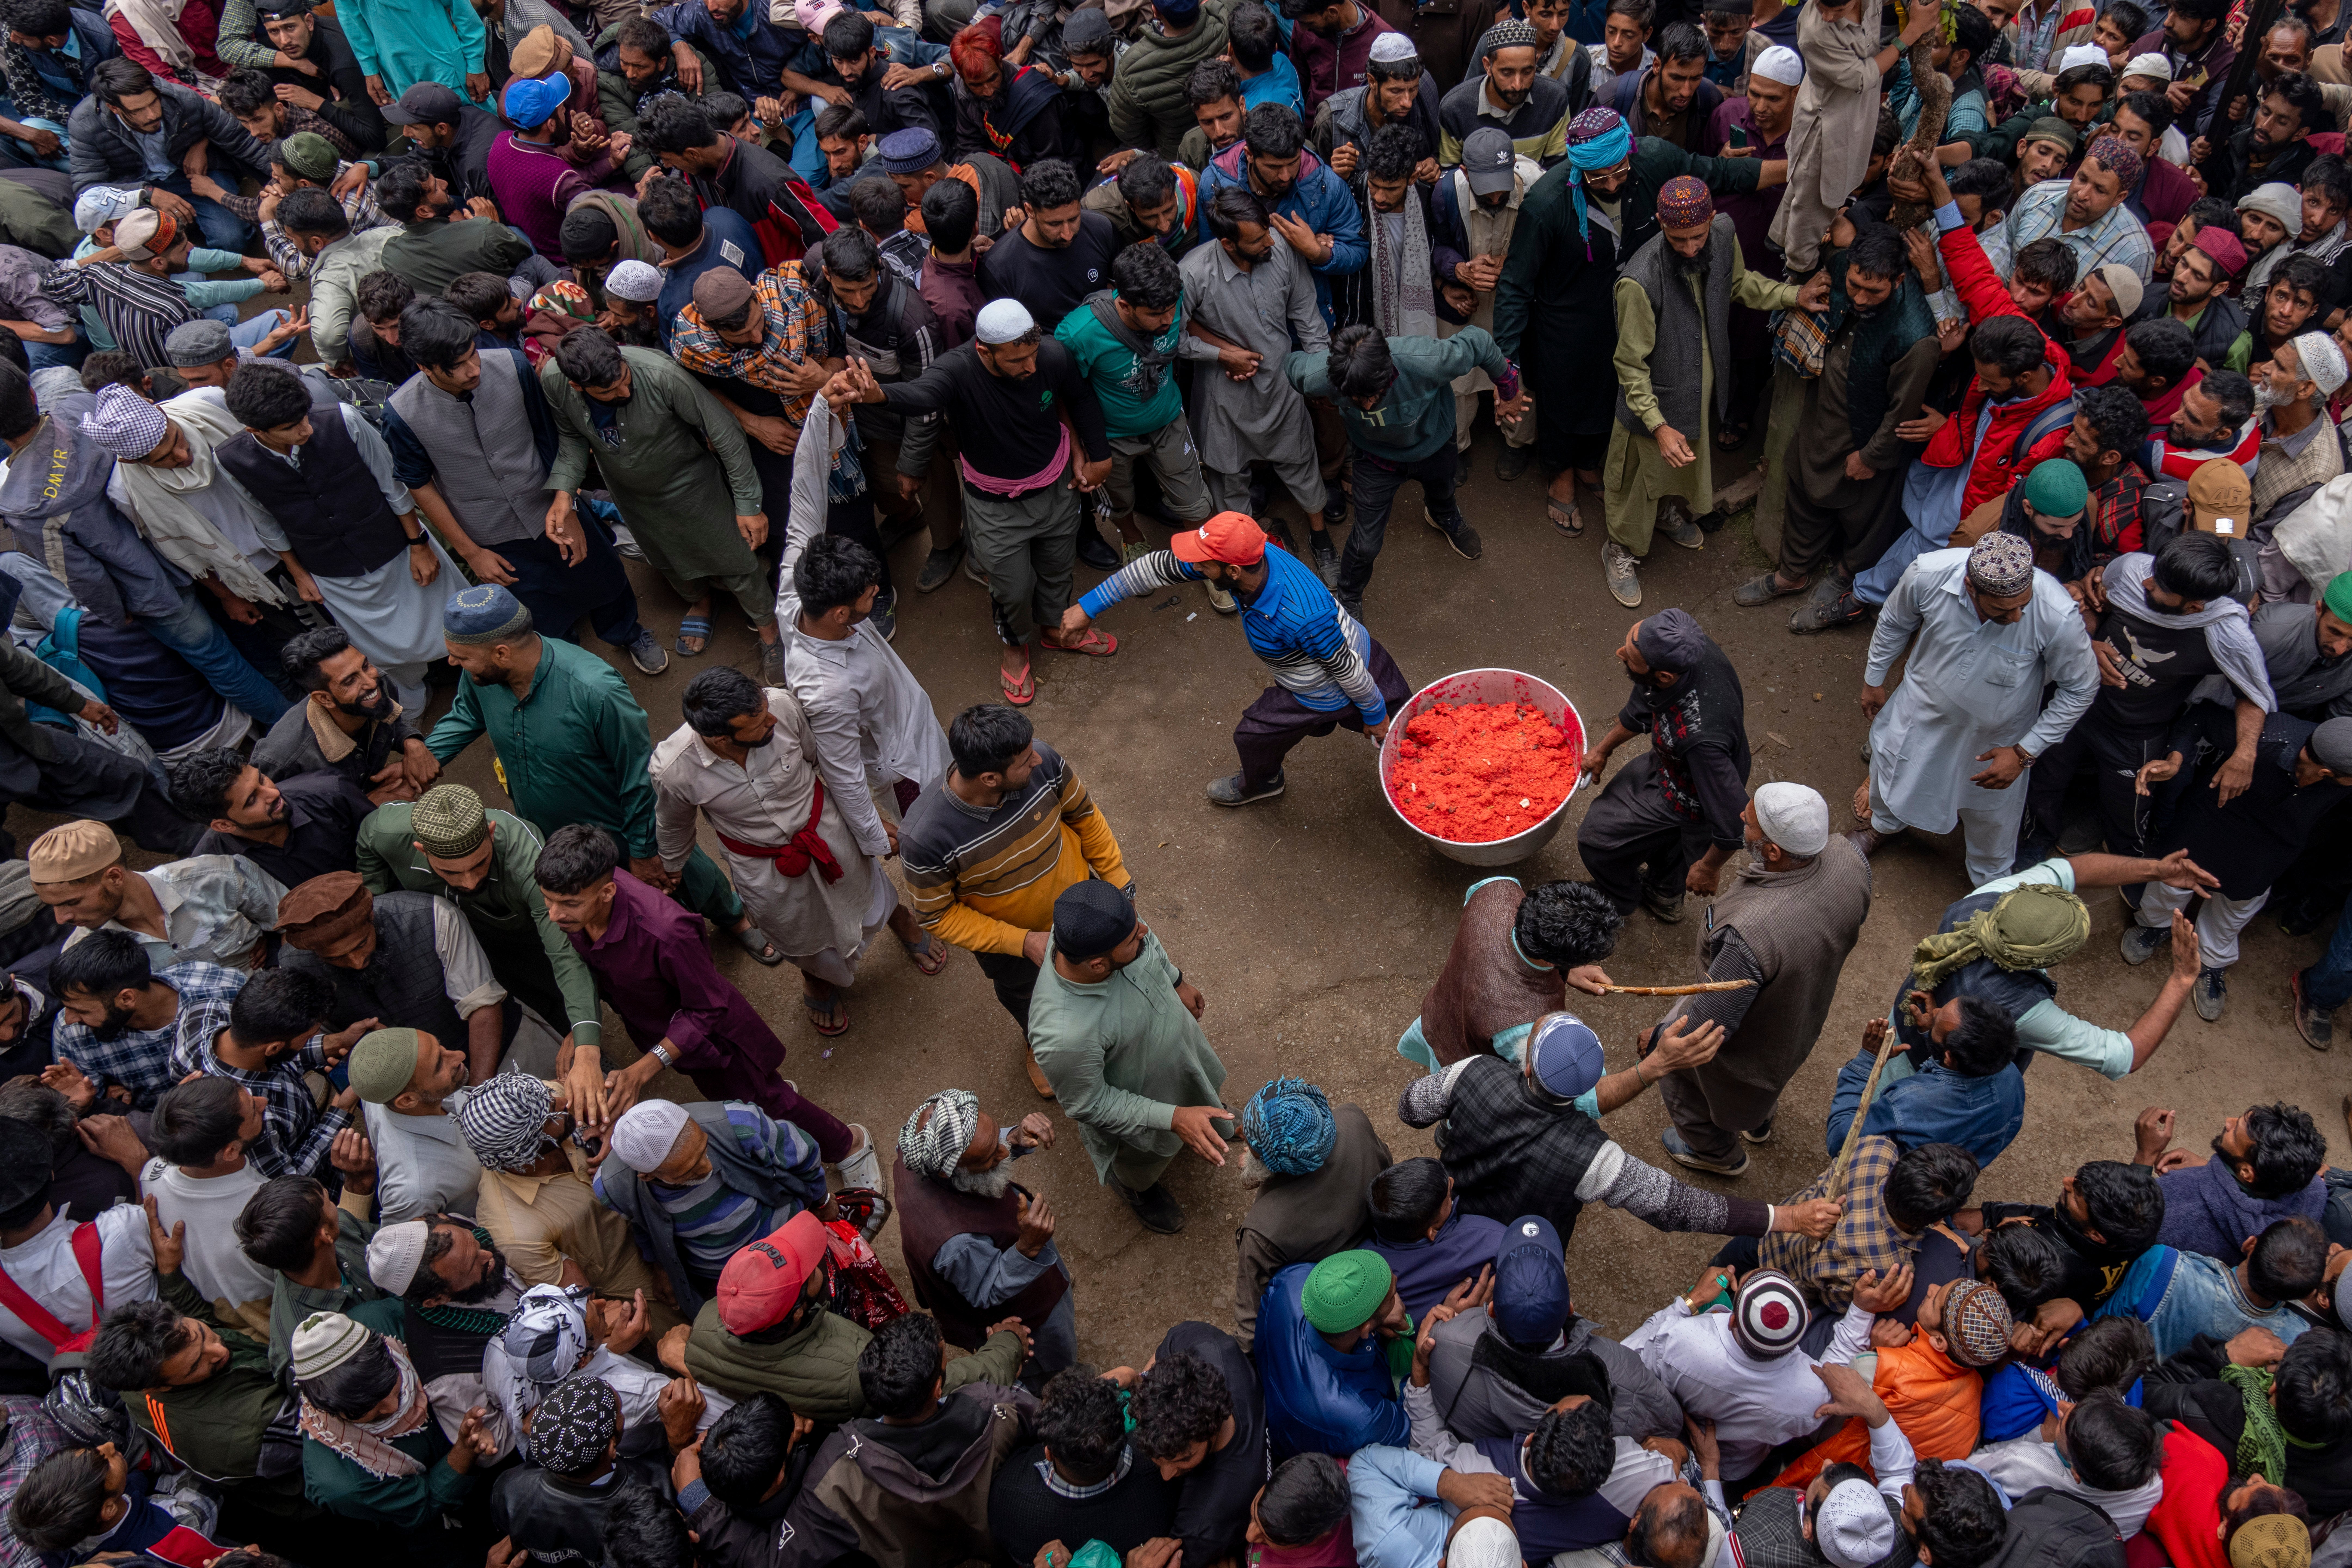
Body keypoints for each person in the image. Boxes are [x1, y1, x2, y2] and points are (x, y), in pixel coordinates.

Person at [425, 586, 774, 957]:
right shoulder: (482, 676)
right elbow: (466, 714)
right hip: (553, 828)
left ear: (501, 653)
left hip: (618, 824)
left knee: (682, 873)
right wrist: (424, 761)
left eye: (461, 657)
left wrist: (642, 850)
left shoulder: (595, 691)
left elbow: (640, 774)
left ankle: (734, 917)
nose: (453, 663)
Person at [530, 825, 877, 1189]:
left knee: (772, 1099)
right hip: (666, 1038)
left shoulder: (667, 930)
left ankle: (848, 1145)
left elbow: (710, 1009)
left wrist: (645, 1069)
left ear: (608, 891)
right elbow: (589, 970)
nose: (555, 916)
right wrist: (584, 1029)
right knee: (736, 1097)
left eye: (568, 905)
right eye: (547, 900)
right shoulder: (578, 911)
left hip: (716, 1041)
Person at [822, 301, 1115, 704]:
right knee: (1011, 588)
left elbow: (1080, 398)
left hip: (1056, 489)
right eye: (1017, 360)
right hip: (995, 506)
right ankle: (1015, 644)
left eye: (1032, 354)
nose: (1030, 367)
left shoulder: (1050, 354)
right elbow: (924, 394)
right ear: (984, 352)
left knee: (1058, 570)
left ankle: (1054, 629)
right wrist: (879, 396)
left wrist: (1099, 455)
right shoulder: (957, 369)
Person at [1398, 1009, 1841, 1244]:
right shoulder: (1597, 1160)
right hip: (1523, 1240)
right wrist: (1786, 1218)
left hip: (1451, 1206)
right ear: (1588, 1088)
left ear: (1529, 1068)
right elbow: (1677, 1208)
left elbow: (1411, 1109)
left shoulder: (1474, 1071)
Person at [655, 666, 932, 1037]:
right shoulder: (673, 769)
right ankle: (816, 977)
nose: (771, 718)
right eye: (757, 720)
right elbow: (674, 825)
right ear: (721, 739)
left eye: (765, 706)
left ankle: (900, 919)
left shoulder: (782, 708)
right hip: (762, 868)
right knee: (796, 932)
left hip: (827, 832)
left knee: (866, 887)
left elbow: (829, 765)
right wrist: (670, 868)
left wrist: (868, 821)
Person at [1067, 511, 1412, 806]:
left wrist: (1375, 714)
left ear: (1232, 572)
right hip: (1321, 660)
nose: (1194, 563)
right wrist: (1088, 607)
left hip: (1337, 681)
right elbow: (1157, 567)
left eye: (1202, 560)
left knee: (1404, 733)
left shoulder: (1303, 616)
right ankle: (1265, 782)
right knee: (1261, 739)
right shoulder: (1249, 559)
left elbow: (1347, 669)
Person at [1603, 177, 1823, 608]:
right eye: (1678, 239)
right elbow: (1630, 365)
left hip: (1699, 387)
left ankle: (1666, 515)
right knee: (1638, 479)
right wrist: (1658, 425)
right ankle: (1620, 549)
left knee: (1681, 467)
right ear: (1662, 228)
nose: (1689, 249)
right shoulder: (1639, 280)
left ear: (1711, 221)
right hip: (1652, 402)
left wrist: (1794, 295)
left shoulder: (1723, 235)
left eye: (1697, 237)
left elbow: (1739, 284)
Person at [898, 703, 1132, 1095]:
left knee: (1107, 975)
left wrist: (1119, 884)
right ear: (990, 778)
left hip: (1086, 907)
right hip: (1012, 951)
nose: (1038, 759)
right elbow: (938, 916)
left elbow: (1085, 816)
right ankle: (1040, 1045)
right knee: (1032, 1000)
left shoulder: (1044, 764)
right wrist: (1024, 942)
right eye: (1025, 761)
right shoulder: (924, 839)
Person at [1849, 533, 2102, 884]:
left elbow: (2082, 687)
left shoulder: (2055, 614)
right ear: (1971, 587)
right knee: (1897, 774)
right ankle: (1884, 828)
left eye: (2023, 605)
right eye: (2004, 610)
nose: (2017, 618)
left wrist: (2024, 752)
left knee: (1993, 820)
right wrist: (1874, 680)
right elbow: (1895, 620)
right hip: (1920, 717)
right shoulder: (1929, 575)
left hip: (1997, 745)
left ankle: (1989, 883)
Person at [1650, 784, 1873, 1177]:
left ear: (1773, 852)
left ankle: (1715, 1152)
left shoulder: (1751, 936)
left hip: (1747, 1040)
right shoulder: (1848, 856)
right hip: (1800, 1014)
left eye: (1750, 823)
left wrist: (1661, 1039)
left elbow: (1706, 1029)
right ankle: (1759, 1119)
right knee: (1771, 1075)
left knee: (1684, 1075)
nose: (1740, 819)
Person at [539, 329, 783, 679]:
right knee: (667, 559)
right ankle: (701, 603)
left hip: (693, 487)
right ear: (578, 386)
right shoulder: (555, 381)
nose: (625, 392)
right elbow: (572, 438)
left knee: (735, 558)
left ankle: (769, 631)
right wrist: (564, 494)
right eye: (609, 392)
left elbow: (726, 433)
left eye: (625, 380)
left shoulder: (661, 375)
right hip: (632, 496)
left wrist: (748, 505)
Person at [213, 362, 453, 717]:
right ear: (254, 430)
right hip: (331, 569)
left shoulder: (344, 420)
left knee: (451, 620)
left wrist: (419, 545)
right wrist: (298, 574)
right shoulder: (230, 460)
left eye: (305, 416)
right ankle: (412, 692)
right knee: (380, 649)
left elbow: (393, 485)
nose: (306, 429)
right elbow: (266, 522)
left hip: (398, 547)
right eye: (290, 427)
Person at [2022, 537, 2275, 863]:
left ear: (2194, 607)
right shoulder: (2130, 570)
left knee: (2130, 806)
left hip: (2136, 731)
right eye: (2155, 572)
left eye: (2160, 586)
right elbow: (2094, 607)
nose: (2147, 582)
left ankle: (2130, 862)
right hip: (2079, 705)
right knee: (2044, 778)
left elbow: (2252, 695)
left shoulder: (2226, 634)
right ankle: (2035, 837)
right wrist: (2087, 643)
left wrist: (2245, 754)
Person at [1755, 228, 1944, 626]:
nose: (1859, 299)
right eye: (1854, 286)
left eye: (1873, 292)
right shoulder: (1842, 266)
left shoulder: (1915, 337)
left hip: (1867, 435)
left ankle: (1845, 575)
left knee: (1866, 517)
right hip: (1823, 414)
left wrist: (1871, 456)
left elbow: (1903, 412)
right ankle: (1792, 574)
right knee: (1804, 487)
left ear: (1898, 281)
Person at [1025, 879, 1230, 1235]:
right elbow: (1091, 1104)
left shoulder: (1103, 923)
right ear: (1096, 966)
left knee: (1198, 1091)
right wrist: (1174, 1117)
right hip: (1141, 1102)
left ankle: (1208, 1115)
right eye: (1133, 940)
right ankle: (1137, 1189)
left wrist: (1176, 980)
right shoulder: (1062, 1037)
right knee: (1141, 1158)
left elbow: (1147, 941)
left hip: (1179, 1058)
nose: (1146, 934)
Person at [680, 1210, 1025, 1421]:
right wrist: (1007, 1347)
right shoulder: (851, 1373)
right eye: (811, 1271)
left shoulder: (707, 1326)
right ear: (798, 1312)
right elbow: (926, 1384)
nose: (818, 1263)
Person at [2124, 714, 2352, 1018]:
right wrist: (2177, 760)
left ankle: (2212, 960)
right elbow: (2198, 721)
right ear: (2325, 772)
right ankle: (2154, 925)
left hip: (2273, 845)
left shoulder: (2342, 777)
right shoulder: (2270, 735)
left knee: (2240, 902)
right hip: (2211, 820)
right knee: (2174, 880)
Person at [84, 1210, 304, 1521]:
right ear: (158, 1387)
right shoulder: (249, 1426)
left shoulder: (136, 1379)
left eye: (203, 1335)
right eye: (197, 1364)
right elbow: (333, 1425)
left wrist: (170, 1273)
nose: (219, 1350)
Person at [356, 785, 601, 1061]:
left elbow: (566, 956)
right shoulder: (387, 831)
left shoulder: (529, 861)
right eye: (451, 871)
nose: (470, 882)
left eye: (479, 864)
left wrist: (587, 1045)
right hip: (463, 942)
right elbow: (368, 837)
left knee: (552, 993)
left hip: (526, 939)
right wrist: (377, 903)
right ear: (422, 850)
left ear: (492, 833)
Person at [1422, 1214, 1690, 1443]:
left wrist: (1464, 1318)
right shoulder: (1620, 1371)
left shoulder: (1443, 1340)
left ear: (1492, 1309)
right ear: (1570, 1309)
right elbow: (1670, 1425)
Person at [1574, 610, 1752, 922]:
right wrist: (1603, 750)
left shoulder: (1701, 741)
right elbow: (1645, 701)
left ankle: (1618, 900)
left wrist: (1709, 868)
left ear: (1665, 677)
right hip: (1677, 763)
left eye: (1629, 657)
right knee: (1672, 842)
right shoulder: (1688, 649)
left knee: (1597, 838)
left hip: (1693, 795)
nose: (1620, 654)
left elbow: (1735, 819)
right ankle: (1664, 895)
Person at [592, 1098, 829, 1326]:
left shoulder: (739, 1123)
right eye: (689, 1170)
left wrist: (823, 1201)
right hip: (727, 1280)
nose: (708, 1167)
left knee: (821, 1299)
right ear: (648, 1177)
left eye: (704, 1148)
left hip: (789, 1242)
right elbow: (643, 1227)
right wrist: (661, 1267)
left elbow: (805, 1155)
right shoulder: (615, 1188)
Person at [1624, 1268, 1870, 1485]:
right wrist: (1861, 1311)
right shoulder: (1815, 1398)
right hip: (1735, 1468)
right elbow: (1837, 1372)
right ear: (1805, 1320)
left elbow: (1628, 1355)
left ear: (1732, 1320)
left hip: (1670, 1437)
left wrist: (1691, 1300)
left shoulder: (1679, 1340)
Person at [285, 1310, 497, 1560]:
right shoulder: (342, 1483)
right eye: (371, 1412)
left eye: (393, 1388)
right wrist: (465, 1450)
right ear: (332, 1411)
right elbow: (426, 1503)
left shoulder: (384, 1319)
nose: (394, 1408)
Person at [892, 1088, 1076, 1374]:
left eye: (998, 1140)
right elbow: (987, 1288)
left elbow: (978, 1144)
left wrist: (1013, 1137)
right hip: (1024, 1312)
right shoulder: (956, 1244)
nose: (1005, 1153)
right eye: (992, 1156)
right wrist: (1027, 1249)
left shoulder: (917, 1148)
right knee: (1053, 1358)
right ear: (951, 1172)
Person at [1054, 240, 1214, 565]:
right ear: (1125, 305)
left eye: (1172, 308)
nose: (1169, 320)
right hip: (1112, 437)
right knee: (1118, 500)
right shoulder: (1079, 334)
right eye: (1156, 315)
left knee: (1194, 501)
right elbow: (1066, 395)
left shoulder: (1171, 295)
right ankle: (1132, 538)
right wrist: (1081, 450)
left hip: (1168, 419)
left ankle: (1203, 560)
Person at [1771, 0, 1936, 274]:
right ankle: (1799, 271)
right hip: (1827, 125)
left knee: (1805, 190)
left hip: (1855, 115)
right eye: (1822, 6)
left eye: (1838, 10)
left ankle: (1780, 239)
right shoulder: (1815, 32)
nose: (1827, 16)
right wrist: (1912, 33)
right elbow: (1863, 77)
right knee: (1816, 201)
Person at [1233, 1076, 1392, 1350]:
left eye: (1252, 1147)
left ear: (1270, 1165)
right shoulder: (1353, 1120)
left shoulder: (1262, 1233)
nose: (1242, 1139)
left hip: (1332, 1299)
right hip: (1371, 1259)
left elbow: (1250, 1324)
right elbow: (1386, 1174)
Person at [1407, 876, 1619, 1072]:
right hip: (1465, 1063)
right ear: (1551, 961)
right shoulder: (1527, 1024)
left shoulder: (1499, 886)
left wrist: (1568, 968)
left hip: (1439, 1012)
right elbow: (1539, 1075)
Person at [0, 1117, 155, 1368]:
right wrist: (136, 1159)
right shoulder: (119, 1231)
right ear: (51, 1174)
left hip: (90, 1399)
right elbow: (159, 1210)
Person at [31, 819, 281, 971]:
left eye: (72, 902)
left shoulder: (217, 877)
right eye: (52, 906)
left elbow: (296, 922)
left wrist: (272, 943)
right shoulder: (84, 955)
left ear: (115, 877)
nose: (61, 919)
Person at [991, 1365, 1179, 1565]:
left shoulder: (1008, 1498)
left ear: (1048, 1452)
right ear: (1123, 1432)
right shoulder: (1164, 1468)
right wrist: (1136, 1378)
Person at [255, 627, 441, 804]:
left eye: (366, 666)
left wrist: (412, 742)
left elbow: (391, 722)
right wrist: (362, 808)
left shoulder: (379, 686)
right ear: (325, 699)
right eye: (350, 681)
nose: (371, 682)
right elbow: (278, 825)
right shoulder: (284, 759)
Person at [1257, 1250, 1410, 1460]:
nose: (1395, 1279)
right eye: (1392, 1296)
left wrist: (1380, 1313)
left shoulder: (1294, 1279)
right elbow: (1407, 1431)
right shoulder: (1359, 1416)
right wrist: (1420, 1365)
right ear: (1365, 1329)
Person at [2136, 1103, 2330, 1263]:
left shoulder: (2180, 1211)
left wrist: (2146, 1155)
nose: (2229, 1122)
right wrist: (2210, 1170)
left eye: (2235, 1131)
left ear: (2246, 1172)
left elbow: (2125, 1228)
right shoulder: (2312, 1191)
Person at [169, 751, 372, 890]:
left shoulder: (332, 793)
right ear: (224, 825)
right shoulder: (211, 870)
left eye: (262, 779)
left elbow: (389, 845)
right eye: (252, 800)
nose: (273, 793)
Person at [342, 1028, 481, 1225]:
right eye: (439, 1065)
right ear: (407, 1101)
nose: (459, 1056)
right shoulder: (413, 1191)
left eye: (440, 1046)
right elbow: (416, 1248)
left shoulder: (383, 1082)